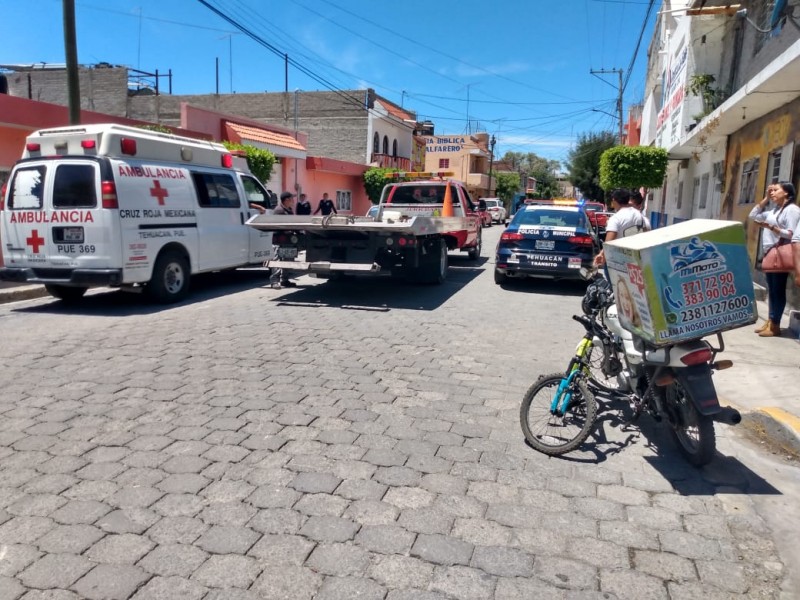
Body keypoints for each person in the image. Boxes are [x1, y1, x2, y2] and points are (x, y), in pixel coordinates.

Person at [749, 182, 800, 337]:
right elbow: (753, 216)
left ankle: (775, 324)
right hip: (770, 253)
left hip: (780, 253)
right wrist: (765, 198)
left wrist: (772, 228)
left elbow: (791, 234)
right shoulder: (775, 210)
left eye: (776, 190)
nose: (772, 192)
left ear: (787, 193)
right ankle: (771, 321)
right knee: (772, 290)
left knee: (777, 290)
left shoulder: (792, 210)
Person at [593, 188, 646, 267]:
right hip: (636, 261)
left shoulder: (616, 218)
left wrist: (602, 256)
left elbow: (609, 243)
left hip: (618, 262)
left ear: (614, 201)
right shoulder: (640, 216)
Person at [270, 191, 298, 289]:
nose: (293, 201)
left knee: (288, 259)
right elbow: (277, 225)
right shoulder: (279, 210)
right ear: (286, 200)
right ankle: (274, 281)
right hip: (279, 239)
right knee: (277, 260)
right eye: (291, 199)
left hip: (288, 239)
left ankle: (284, 280)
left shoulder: (289, 210)